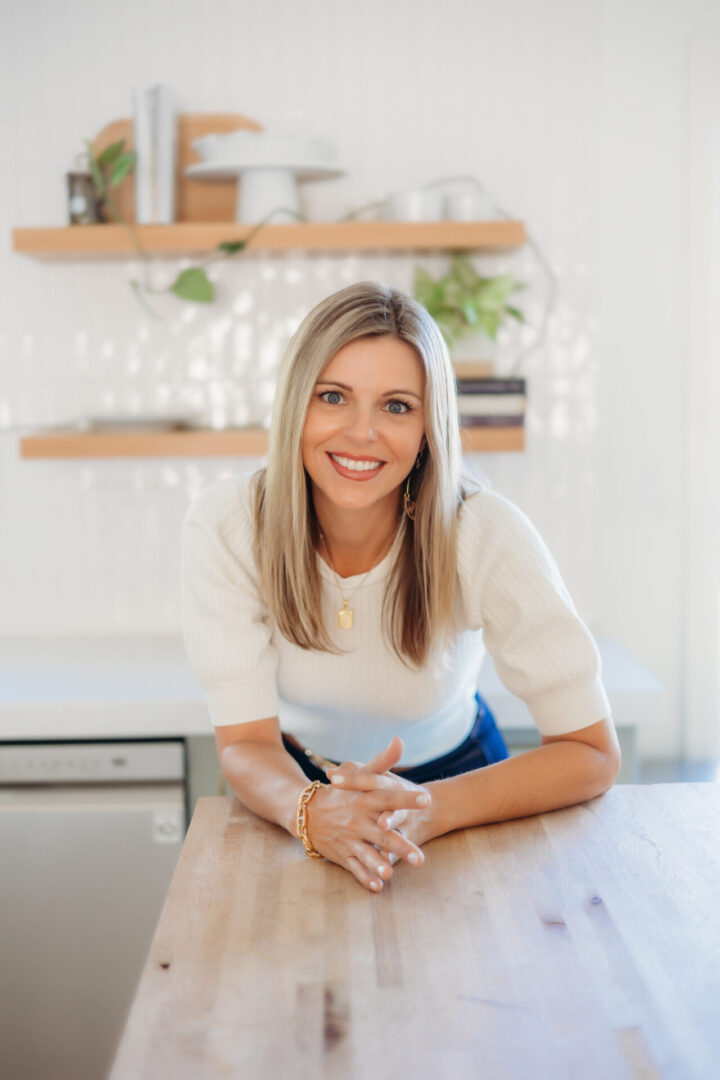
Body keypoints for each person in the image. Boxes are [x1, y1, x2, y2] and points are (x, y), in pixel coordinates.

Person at [181, 281, 620, 895]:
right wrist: (309, 810)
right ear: (294, 407)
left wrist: (433, 806)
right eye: (333, 397)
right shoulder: (229, 525)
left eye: (396, 406)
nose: (362, 433)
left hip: (458, 786)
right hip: (294, 783)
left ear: (427, 427)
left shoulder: (483, 530)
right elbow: (248, 744)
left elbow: (593, 751)